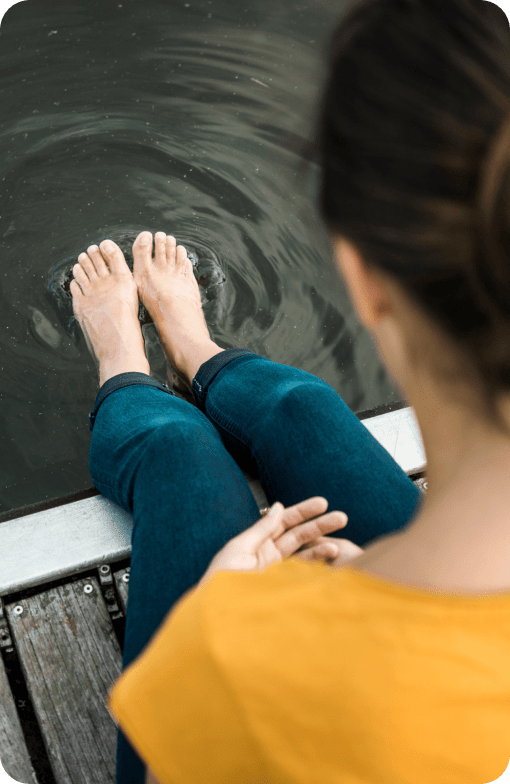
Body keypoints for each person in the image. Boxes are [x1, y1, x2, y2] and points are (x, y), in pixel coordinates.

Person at [69, 0, 510, 781]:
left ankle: (126, 364)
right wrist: (380, 597)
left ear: (366, 282)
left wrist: (221, 620)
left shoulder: (233, 662)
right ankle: (198, 353)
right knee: (301, 411)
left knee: (181, 455)